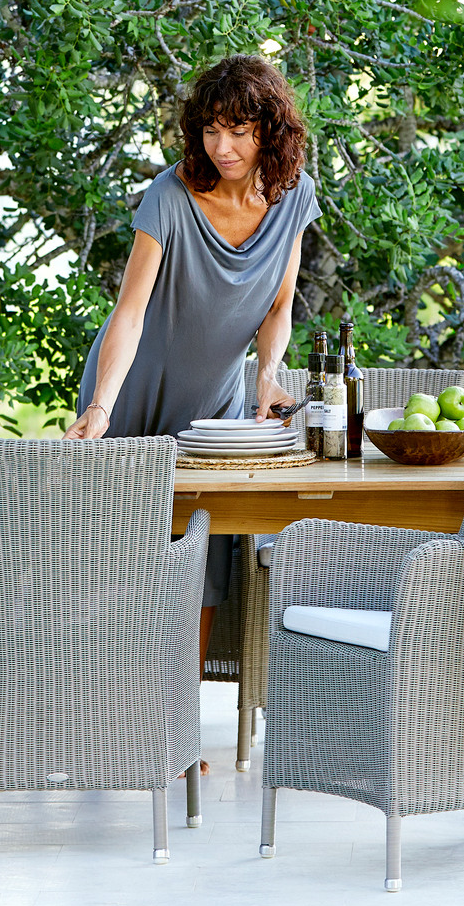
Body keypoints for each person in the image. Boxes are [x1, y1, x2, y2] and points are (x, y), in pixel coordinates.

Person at [65, 53, 320, 738]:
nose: (224, 147)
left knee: (203, 564)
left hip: (214, 409)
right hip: (130, 392)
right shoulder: (171, 194)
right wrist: (98, 407)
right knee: (116, 560)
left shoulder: (292, 195)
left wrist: (266, 377)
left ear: (270, 131)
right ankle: (108, 725)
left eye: (238, 130)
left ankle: (173, 729)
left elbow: (278, 304)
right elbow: (129, 313)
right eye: (211, 129)